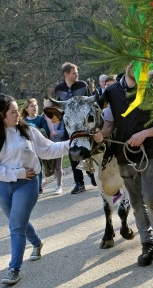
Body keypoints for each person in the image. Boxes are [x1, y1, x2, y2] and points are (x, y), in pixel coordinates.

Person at [0, 94, 69, 285]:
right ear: (0, 115)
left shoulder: (29, 131)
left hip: (28, 183)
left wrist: (71, 144)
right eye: (13, 112)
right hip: (3, 185)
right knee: (19, 222)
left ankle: (13, 269)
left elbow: (48, 149)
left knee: (15, 225)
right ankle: (37, 243)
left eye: (18, 110)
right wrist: (17, 173)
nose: (18, 115)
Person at [93, 63, 153, 267]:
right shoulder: (111, 92)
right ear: (126, 64)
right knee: (135, 203)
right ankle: (147, 245)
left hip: (149, 152)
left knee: (151, 198)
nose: (134, 67)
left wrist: (144, 134)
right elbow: (109, 125)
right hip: (124, 156)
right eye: (131, 62)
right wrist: (101, 135)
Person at [53, 62, 96, 194]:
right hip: (69, 127)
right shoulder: (59, 89)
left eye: (77, 72)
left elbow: (90, 103)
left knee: (89, 149)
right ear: (66, 74)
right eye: (74, 72)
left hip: (84, 125)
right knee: (73, 153)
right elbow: (59, 107)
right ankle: (79, 183)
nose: (77, 74)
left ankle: (91, 172)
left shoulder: (83, 85)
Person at [20, 98, 50, 196]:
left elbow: (46, 132)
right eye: (32, 106)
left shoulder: (41, 119)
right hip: (26, 149)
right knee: (29, 168)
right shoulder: (23, 121)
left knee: (38, 167)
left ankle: (39, 188)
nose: (35, 107)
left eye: (36, 105)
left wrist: (35, 131)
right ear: (26, 109)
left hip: (38, 147)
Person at [42, 99, 64, 195]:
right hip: (46, 145)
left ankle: (59, 186)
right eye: (45, 107)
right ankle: (57, 178)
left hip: (57, 144)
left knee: (58, 166)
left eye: (49, 107)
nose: (47, 109)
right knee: (52, 168)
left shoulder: (58, 117)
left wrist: (57, 133)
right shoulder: (41, 118)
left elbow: (64, 131)